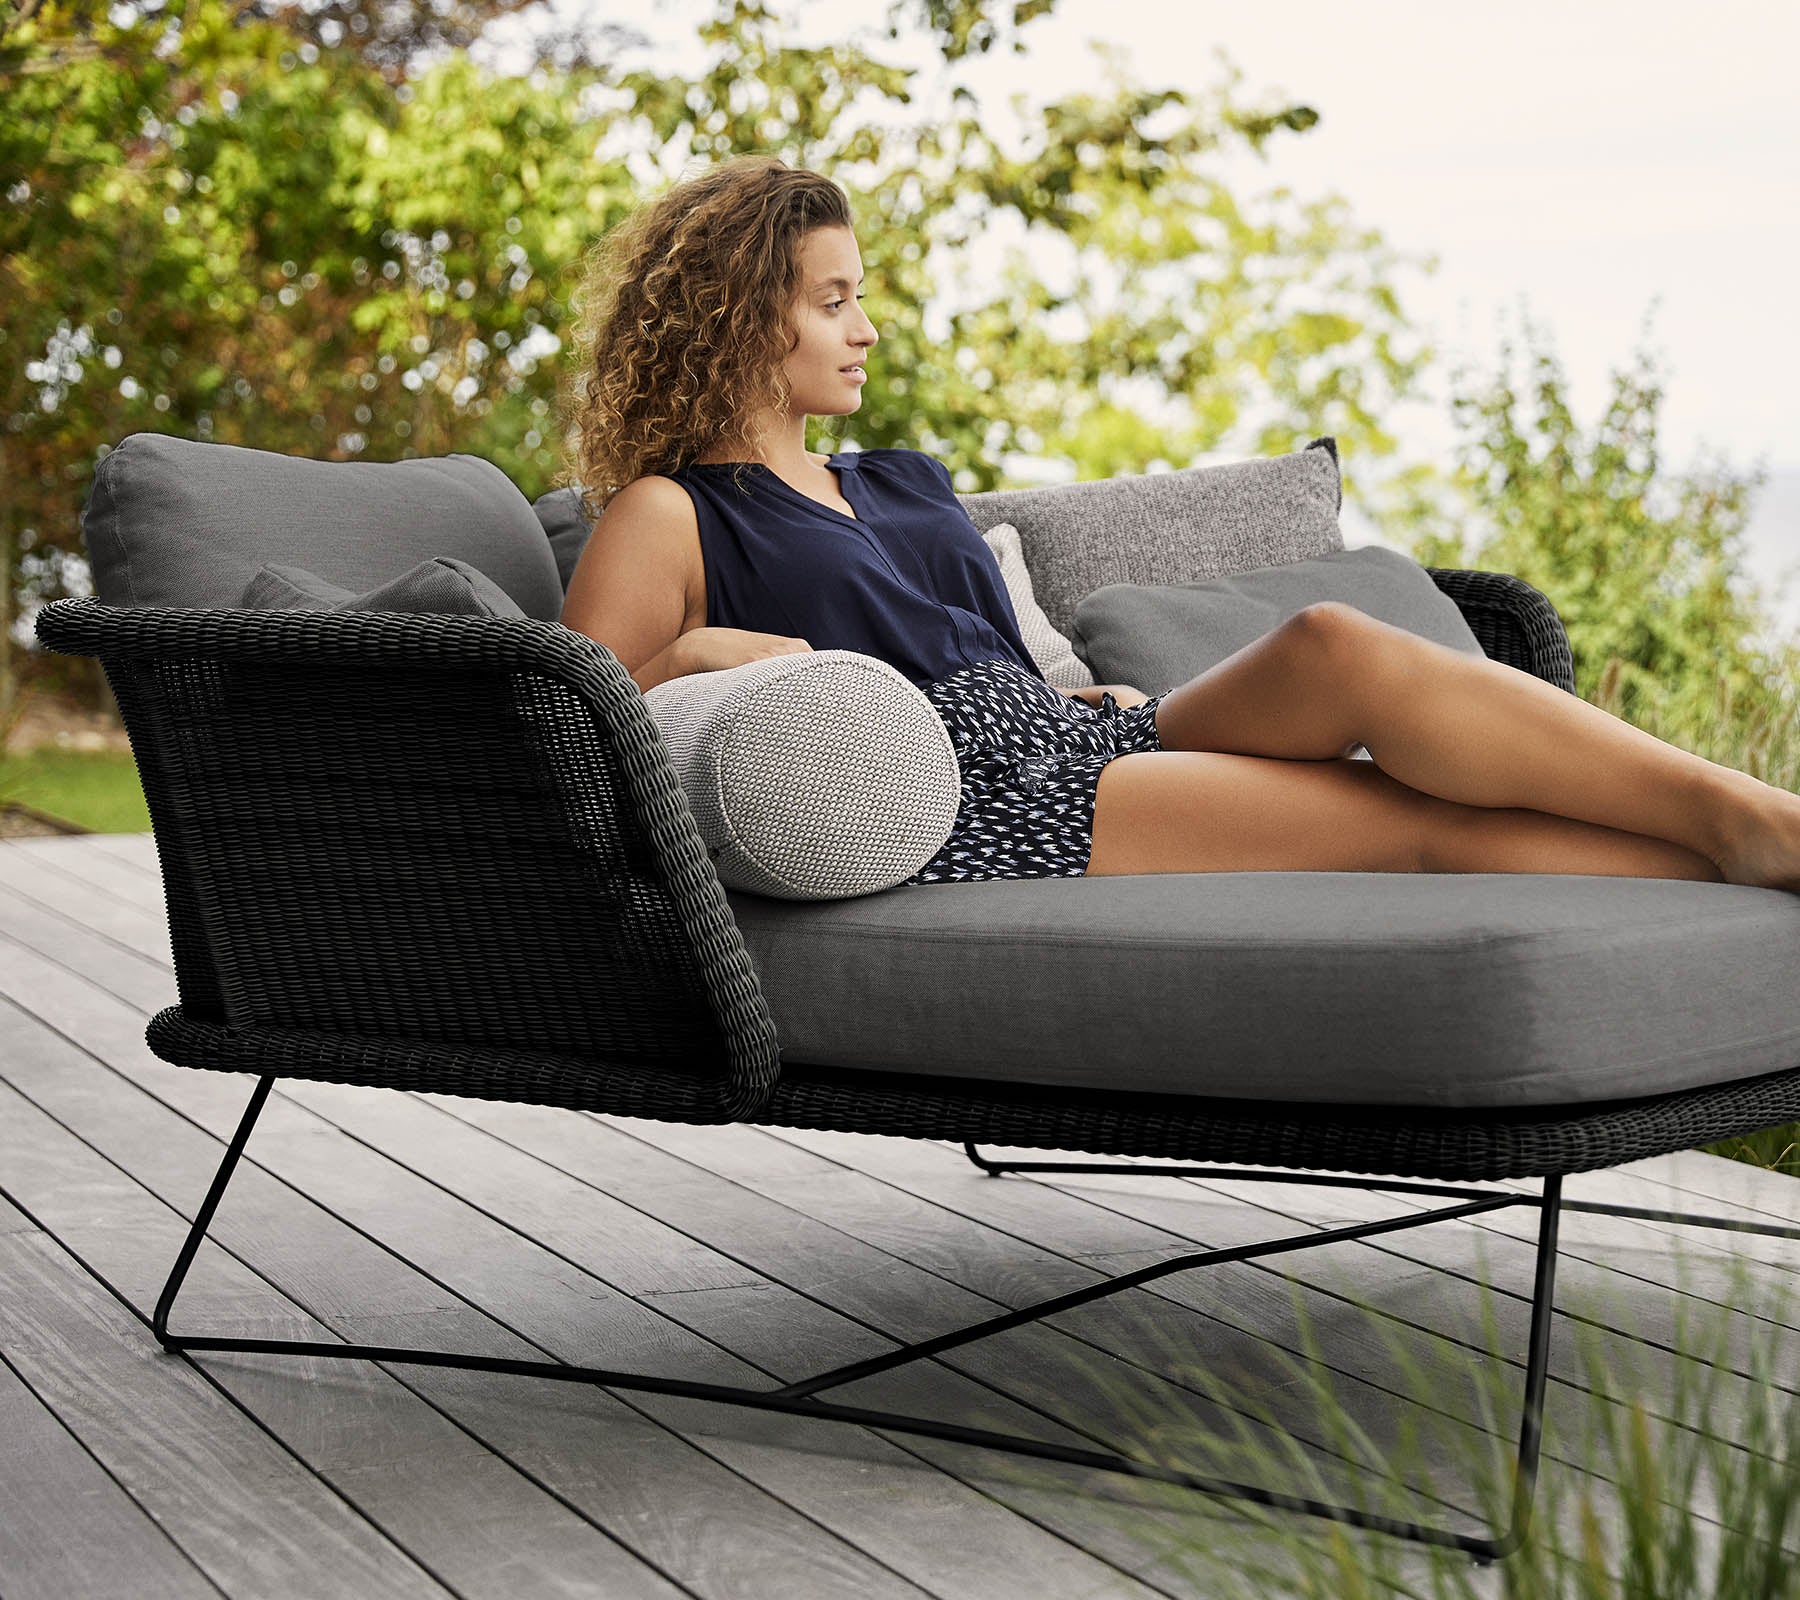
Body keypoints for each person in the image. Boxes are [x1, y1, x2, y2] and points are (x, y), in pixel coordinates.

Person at [560, 155, 1800, 894]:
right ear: (736, 321)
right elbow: (567, 731)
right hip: (968, 796)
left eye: (861, 298)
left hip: (1071, 729)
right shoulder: (670, 512)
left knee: (1337, 642)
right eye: (832, 302)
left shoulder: (901, 478)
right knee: (1413, 829)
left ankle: (1747, 812)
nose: (866, 329)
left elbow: (990, 645)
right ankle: (1745, 868)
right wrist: (697, 654)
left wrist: (1080, 688)